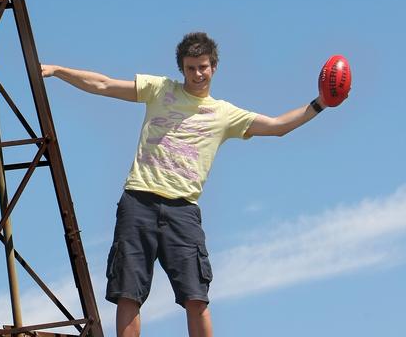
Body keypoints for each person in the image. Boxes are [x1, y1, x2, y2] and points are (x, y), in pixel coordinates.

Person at [41, 31, 343, 337]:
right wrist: (58, 71)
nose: (197, 74)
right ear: (181, 69)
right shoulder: (159, 89)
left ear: (213, 66)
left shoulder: (225, 114)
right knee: (128, 293)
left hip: (183, 211)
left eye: (202, 67)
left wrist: (320, 103)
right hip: (139, 202)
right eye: (190, 68)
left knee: (196, 297)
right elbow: (104, 85)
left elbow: (278, 127)